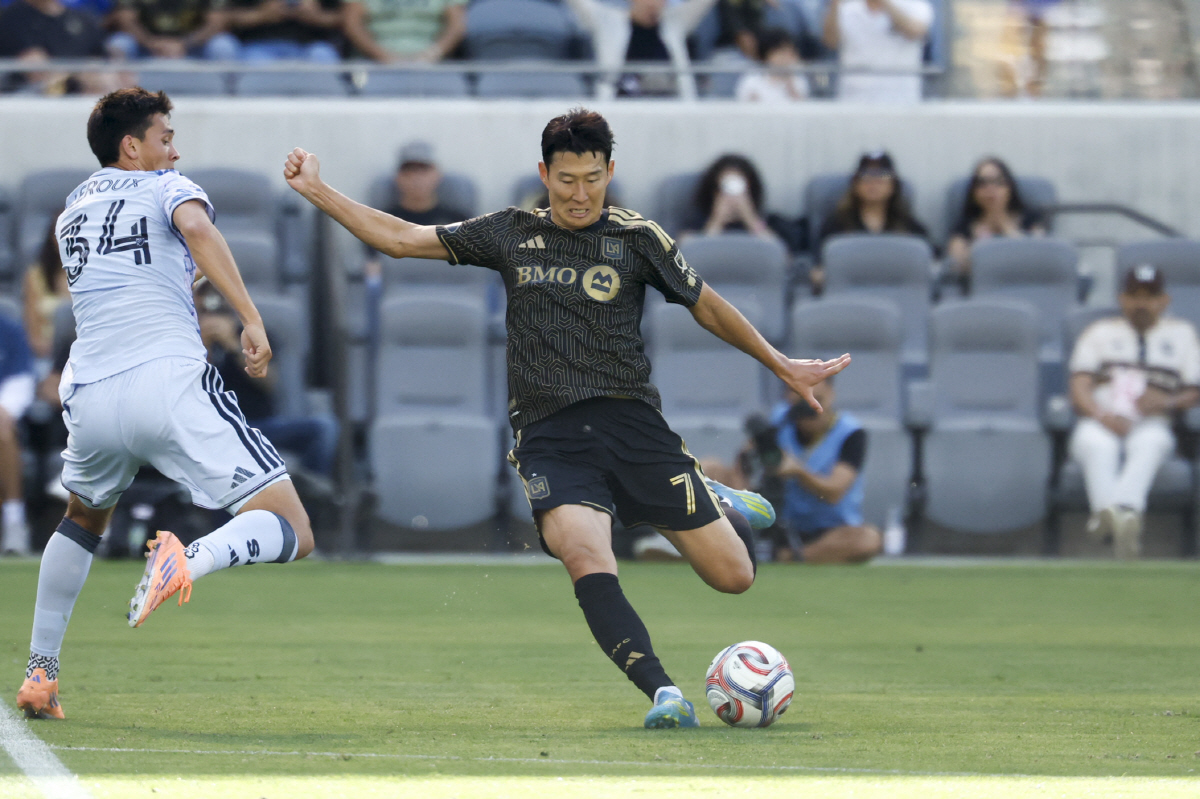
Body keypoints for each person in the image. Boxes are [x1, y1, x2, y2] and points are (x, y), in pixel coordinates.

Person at [284, 108, 849, 728]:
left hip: (631, 425)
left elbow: (706, 306)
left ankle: (709, 491)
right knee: (586, 555)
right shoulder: (509, 232)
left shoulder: (639, 238)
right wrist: (317, 189)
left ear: (611, 171)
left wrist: (781, 364)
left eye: (592, 178)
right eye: (566, 180)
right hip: (550, 435)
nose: (580, 195)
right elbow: (401, 239)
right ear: (543, 174)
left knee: (735, 576)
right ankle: (663, 693)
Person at [16, 87, 314, 721]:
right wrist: (250, 318)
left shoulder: (71, 210)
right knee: (293, 527)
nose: (174, 150)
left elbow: (136, 277)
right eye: (165, 137)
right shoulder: (164, 185)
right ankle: (189, 556)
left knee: (81, 519)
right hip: (168, 382)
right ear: (134, 146)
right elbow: (197, 228)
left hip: (91, 394)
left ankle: (40, 672)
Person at [1068, 265, 1200, 560]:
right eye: (1134, 296)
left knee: (1151, 443)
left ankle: (1109, 519)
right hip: (1101, 418)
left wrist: (1166, 402)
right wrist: (1101, 415)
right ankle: (1125, 519)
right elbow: (1079, 386)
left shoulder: (1182, 333)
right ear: (1122, 299)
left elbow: (1195, 391)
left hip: (1152, 419)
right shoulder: (1099, 332)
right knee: (1096, 444)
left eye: (1149, 296)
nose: (1141, 303)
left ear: (1164, 300)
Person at [197, 281, 338, 477]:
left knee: (324, 427)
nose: (210, 304)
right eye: (202, 296)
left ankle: (310, 493)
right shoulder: (185, 339)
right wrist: (204, 346)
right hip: (209, 431)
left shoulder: (253, 336)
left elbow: (269, 382)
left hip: (257, 427)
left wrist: (234, 345)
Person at [760, 380, 880, 563]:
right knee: (712, 468)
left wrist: (798, 471)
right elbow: (745, 462)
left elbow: (834, 491)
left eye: (818, 400)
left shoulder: (850, 433)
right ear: (789, 398)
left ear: (831, 394)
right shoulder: (780, 421)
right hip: (783, 525)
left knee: (868, 539)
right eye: (804, 401)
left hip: (831, 531)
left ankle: (790, 556)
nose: (812, 409)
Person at [812, 151, 928, 290]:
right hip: (850, 295)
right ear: (855, 184)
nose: (873, 183)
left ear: (893, 185)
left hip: (897, 294)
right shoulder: (836, 224)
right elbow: (819, 267)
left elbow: (931, 265)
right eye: (866, 176)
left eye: (882, 176)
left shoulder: (909, 226)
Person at [565, 0, 717, 100]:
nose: (652, 4)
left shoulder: (675, 24)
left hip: (671, 105)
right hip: (620, 107)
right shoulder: (608, 22)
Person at [944, 156, 1046, 280]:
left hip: (1025, 283)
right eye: (982, 183)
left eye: (998, 182)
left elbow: (1039, 260)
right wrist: (980, 242)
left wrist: (1007, 228)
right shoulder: (964, 225)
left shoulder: (1031, 219)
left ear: (1010, 188)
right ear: (974, 192)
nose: (990, 189)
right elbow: (956, 268)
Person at [0, 0, 123, 94]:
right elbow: (36, 69)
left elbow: (105, 60)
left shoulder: (83, 18)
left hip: (90, 94)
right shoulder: (12, 17)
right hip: (32, 96)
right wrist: (79, 78)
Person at [822, 0, 933, 103]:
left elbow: (915, 31)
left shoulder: (914, 5)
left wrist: (885, 4)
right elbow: (831, 42)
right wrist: (835, 5)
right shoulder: (847, 8)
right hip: (854, 100)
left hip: (899, 101)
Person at [681, 154, 784, 241]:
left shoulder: (773, 224)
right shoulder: (694, 226)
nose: (732, 199)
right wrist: (716, 223)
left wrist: (751, 220)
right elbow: (689, 257)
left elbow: (782, 258)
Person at [0, 315, 36, 556]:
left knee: (2, 432)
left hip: (3, 409)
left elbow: (22, 378)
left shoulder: (9, 328)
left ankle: (14, 521)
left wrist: (5, 410)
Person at [341, 0, 465, 63]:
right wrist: (384, 57)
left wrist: (430, 55)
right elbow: (353, 25)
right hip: (374, 61)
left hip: (434, 61)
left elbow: (456, 26)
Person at [110, 0, 238, 59]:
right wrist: (150, 42)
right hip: (147, 46)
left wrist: (185, 44)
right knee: (120, 43)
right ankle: (120, 101)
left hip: (194, 45)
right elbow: (125, 19)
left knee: (224, 45)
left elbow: (217, 22)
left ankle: (221, 99)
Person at [224, 0, 344, 63]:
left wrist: (316, 16)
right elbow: (228, 17)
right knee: (256, 63)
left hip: (309, 47)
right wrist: (261, 15)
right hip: (258, 47)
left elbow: (342, 19)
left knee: (323, 55)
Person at [23, 219, 73, 362]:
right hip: (47, 354)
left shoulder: (94, 274)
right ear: (52, 239)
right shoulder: (36, 275)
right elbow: (31, 331)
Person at [735, 27, 809, 103]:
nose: (785, 57)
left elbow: (802, 106)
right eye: (781, 52)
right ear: (767, 54)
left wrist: (790, 86)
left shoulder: (798, 79)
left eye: (789, 52)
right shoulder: (751, 79)